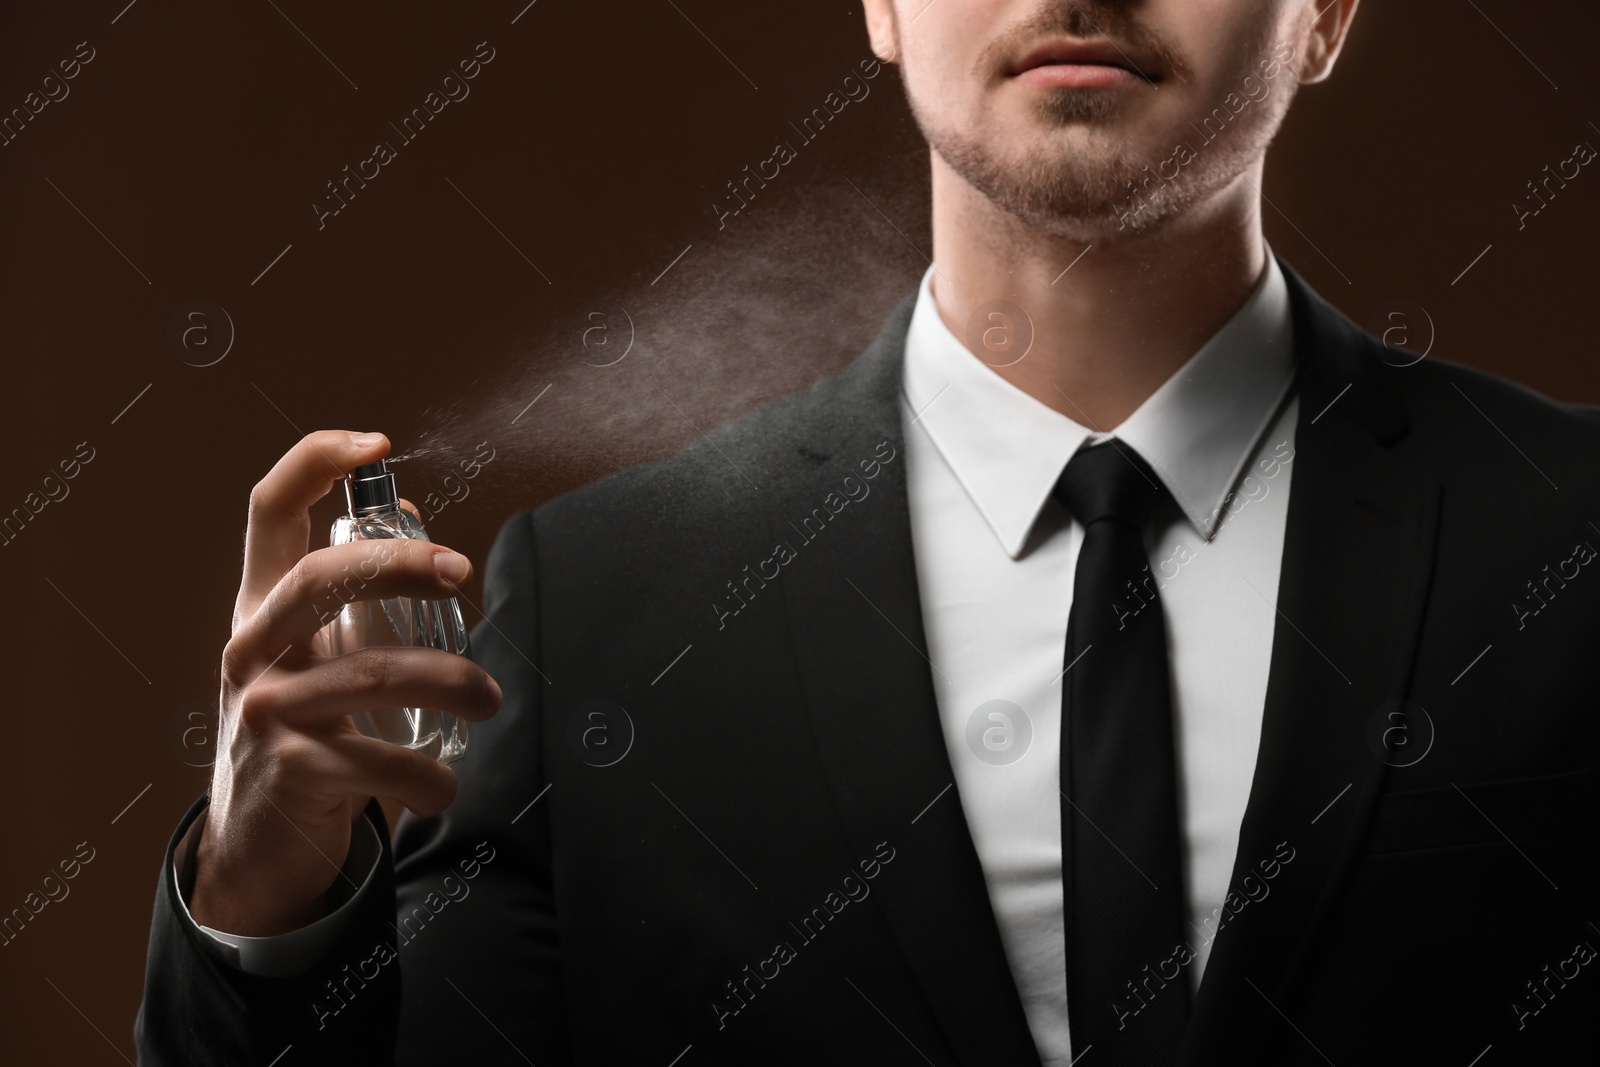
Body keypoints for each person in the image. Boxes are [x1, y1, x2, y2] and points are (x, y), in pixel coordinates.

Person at [136, 1, 1600, 1063]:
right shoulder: (597, 619)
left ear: (1330, 14)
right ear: (882, 6)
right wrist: (269, 912)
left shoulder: (1571, 543)